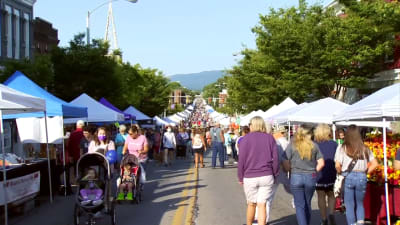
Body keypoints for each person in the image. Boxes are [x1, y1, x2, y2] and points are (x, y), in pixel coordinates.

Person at [237, 116, 279, 225]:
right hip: (266, 175)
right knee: (262, 204)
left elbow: (241, 160)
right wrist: (275, 174)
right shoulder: (270, 138)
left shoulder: (245, 139)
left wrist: (240, 177)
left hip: (250, 176)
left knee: (251, 204)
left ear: (252, 125)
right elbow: (275, 159)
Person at [335, 125, 378, 225]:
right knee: (360, 203)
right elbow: (375, 164)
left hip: (348, 176)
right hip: (361, 176)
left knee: (349, 205)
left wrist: (340, 173)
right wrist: (365, 172)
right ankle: (360, 223)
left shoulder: (342, 148)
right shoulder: (365, 148)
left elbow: (337, 165)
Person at [283, 126, 325, 225]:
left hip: (296, 176)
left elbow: (285, 160)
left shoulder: (292, 145)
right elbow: (321, 163)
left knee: (299, 205)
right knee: (307, 203)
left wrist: (288, 169)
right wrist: (314, 171)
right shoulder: (314, 146)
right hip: (310, 176)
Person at [314, 124, 338, 225]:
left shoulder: (314, 144)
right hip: (332, 171)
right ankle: (331, 213)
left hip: (319, 172)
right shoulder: (334, 144)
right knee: (331, 195)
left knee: (321, 196)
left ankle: (324, 218)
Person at [66, 120, 85, 195]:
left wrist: (70, 155)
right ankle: (83, 183)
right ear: (83, 125)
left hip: (75, 155)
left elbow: (69, 145)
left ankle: (78, 183)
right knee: (84, 169)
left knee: (76, 169)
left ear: (77, 125)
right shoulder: (85, 133)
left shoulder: (73, 134)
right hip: (84, 155)